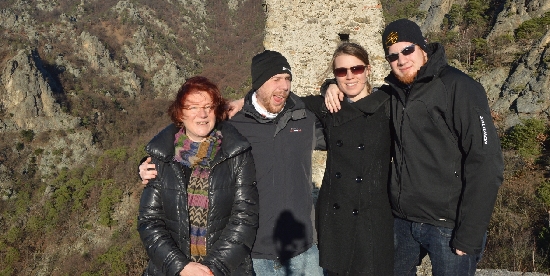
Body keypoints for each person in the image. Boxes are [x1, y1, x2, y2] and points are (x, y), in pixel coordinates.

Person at [324, 19, 504, 276]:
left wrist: (471, 231)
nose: (401, 59)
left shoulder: (458, 87)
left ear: (423, 47)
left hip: (449, 224)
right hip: (402, 221)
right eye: (393, 56)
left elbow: (486, 162)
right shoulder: (394, 93)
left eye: (408, 50)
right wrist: (330, 86)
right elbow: (359, 99)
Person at [140, 51, 325, 276]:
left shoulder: (304, 119)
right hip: (255, 254)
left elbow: (346, 129)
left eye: (287, 79)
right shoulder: (234, 126)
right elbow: (186, 140)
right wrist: (146, 163)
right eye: (275, 79)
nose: (284, 86)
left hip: (302, 251)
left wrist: (332, 86)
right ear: (259, 82)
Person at [137, 76, 258, 276]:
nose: (202, 114)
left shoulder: (237, 153)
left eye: (208, 107)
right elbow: (149, 221)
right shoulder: (162, 157)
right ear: (180, 114)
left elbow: (245, 218)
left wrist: (210, 269)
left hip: (226, 269)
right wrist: (181, 267)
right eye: (193, 107)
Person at [302, 42, 394, 275]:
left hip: (372, 219)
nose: (350, 76)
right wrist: (328, 88)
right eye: (341, 72)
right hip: (335, 220)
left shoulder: (387, 106)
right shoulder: (330, 108)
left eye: (357, 69)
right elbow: (285, 101)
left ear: (368, 70)